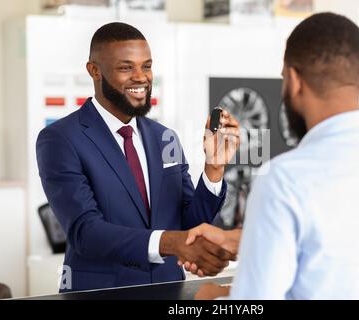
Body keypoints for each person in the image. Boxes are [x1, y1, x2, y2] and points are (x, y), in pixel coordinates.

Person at [190, 12, 359, 299]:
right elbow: (346, 246)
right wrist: (241, 239)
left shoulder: (283, 179)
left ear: (293, 79)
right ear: (358, 79)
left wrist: (212, 298)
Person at [36, 22, 240, 292]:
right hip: (102, 293)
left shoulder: (165, 136)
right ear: (94, 70)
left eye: (146, 66)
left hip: (170, 290)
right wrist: (169, 243)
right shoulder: (61, 138)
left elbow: (190, 224)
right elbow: (85, 232)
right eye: (125, 67)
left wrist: (214, 168)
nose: (141, 77)